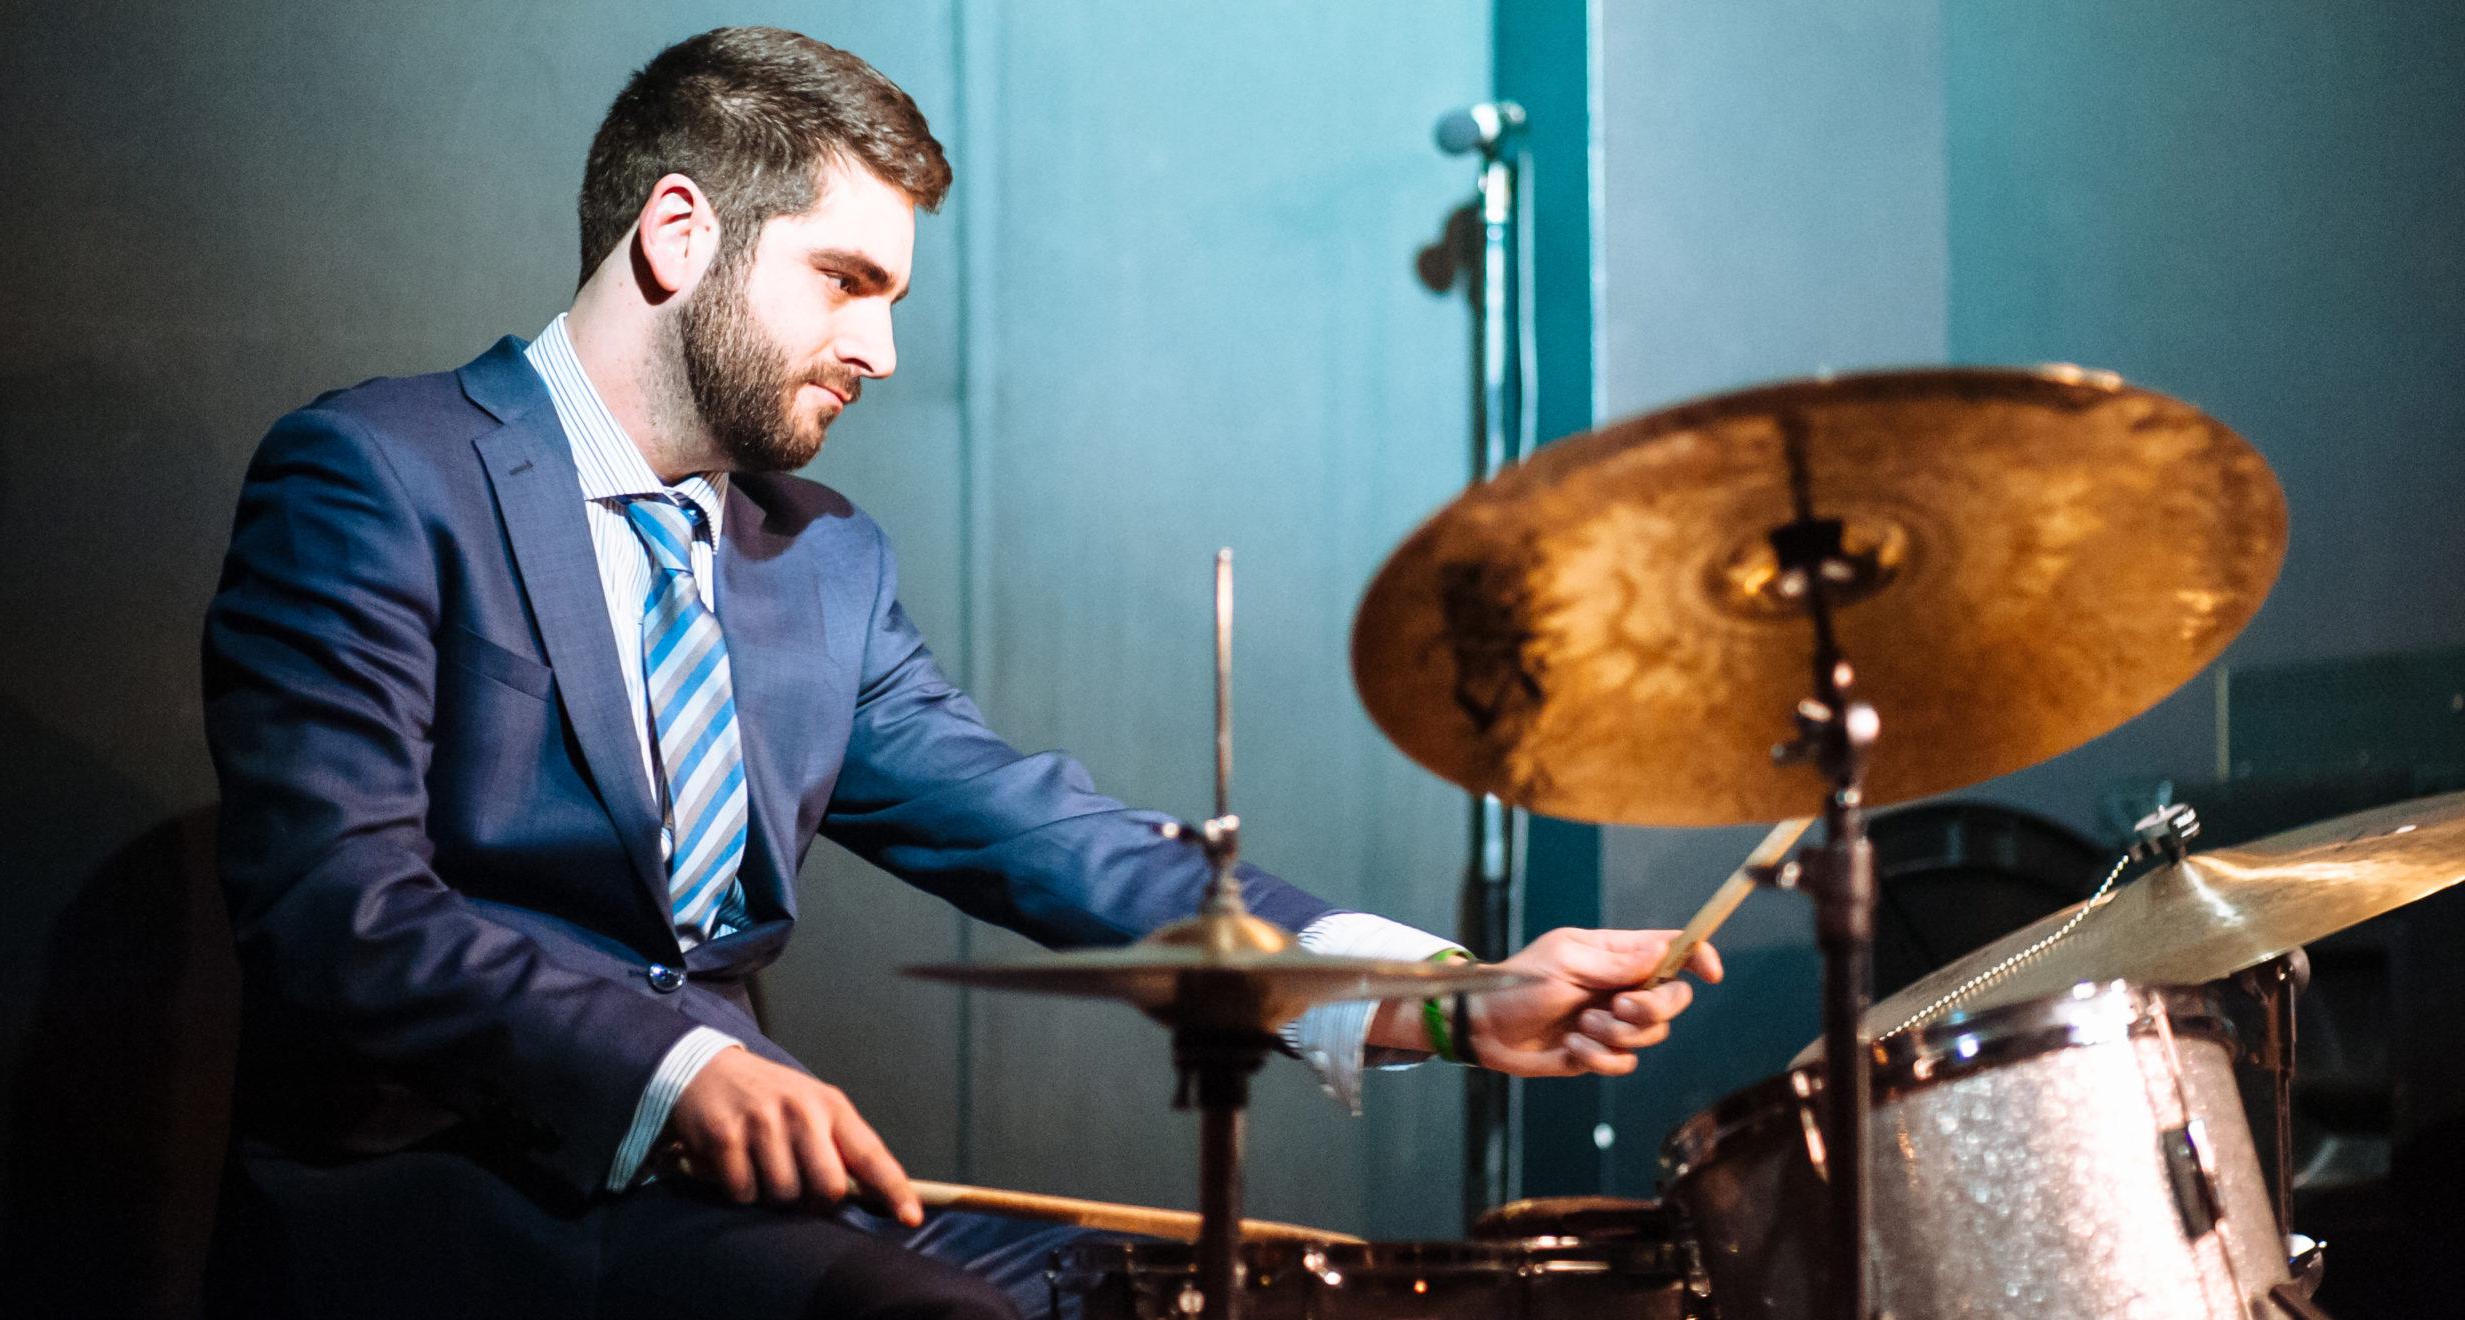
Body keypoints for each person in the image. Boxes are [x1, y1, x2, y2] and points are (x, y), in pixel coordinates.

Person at [201, 25, 1721, 1320]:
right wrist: (674, 1066)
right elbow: (339, 913)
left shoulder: (823, 562)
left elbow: (1054, 839)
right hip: (446, 1208)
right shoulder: (380, 476)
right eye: (845, 280)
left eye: (895, 300)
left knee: (1146, 1291)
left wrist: (1446, 1002)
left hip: (719, 1213)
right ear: (678, 233)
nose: (881, 349)